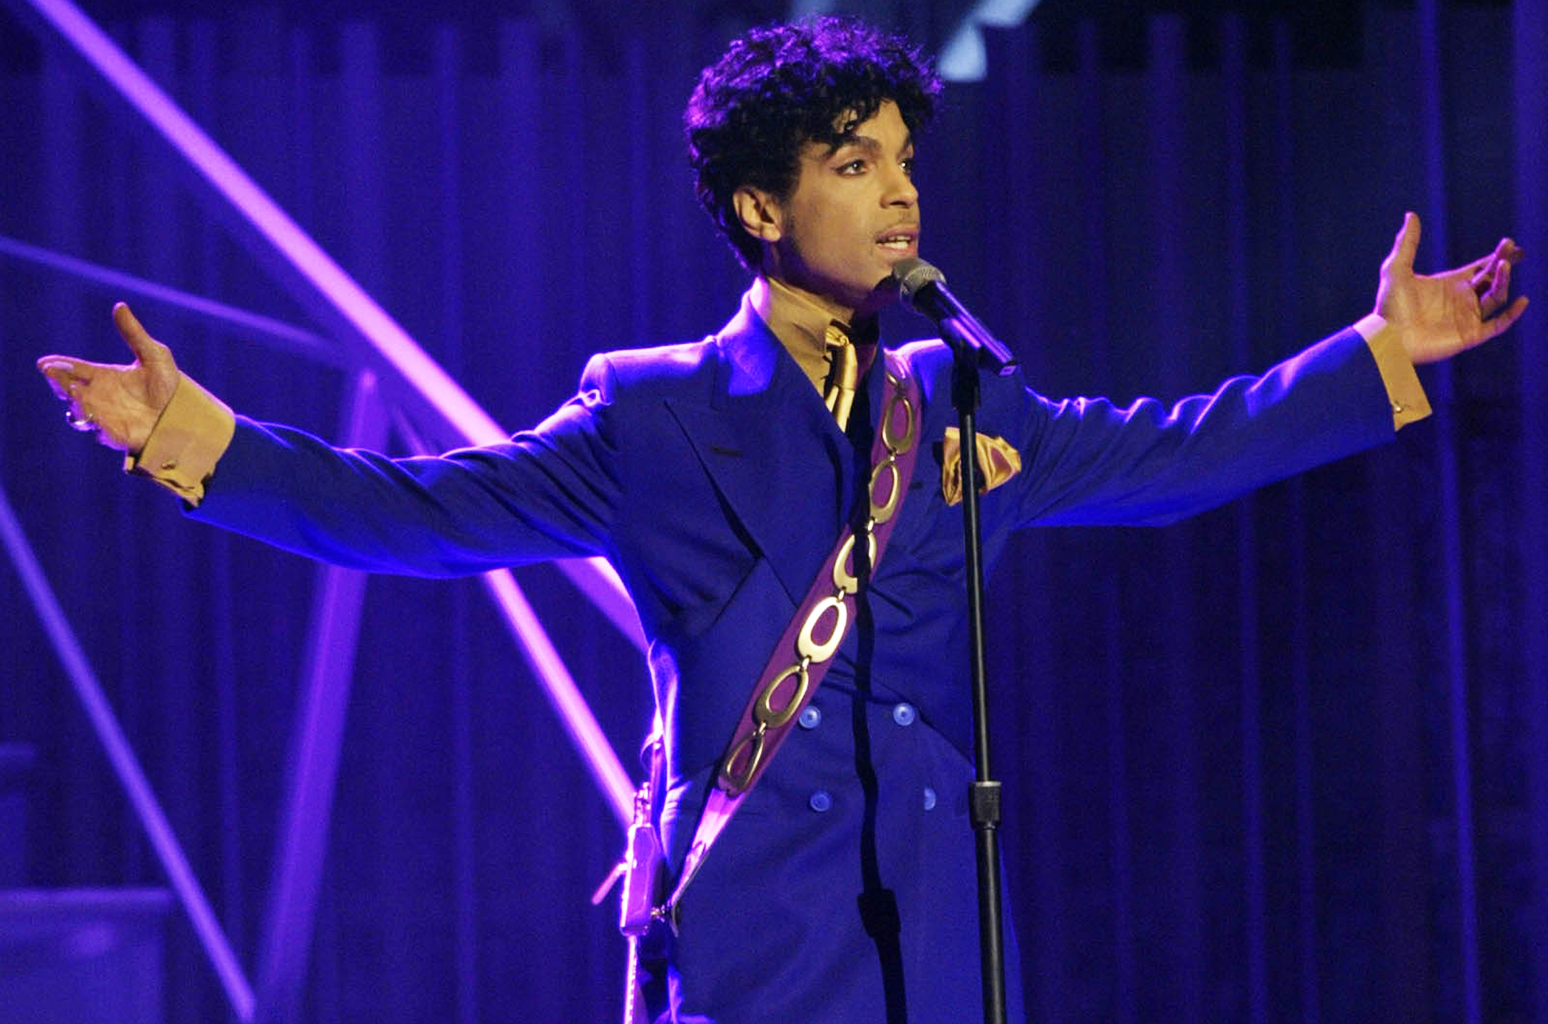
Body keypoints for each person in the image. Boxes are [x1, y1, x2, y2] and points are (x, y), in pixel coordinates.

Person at [35, 16, 1527, 1024]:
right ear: (762, 207)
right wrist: (195, 437)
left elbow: (1174, 452)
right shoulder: (651, 413)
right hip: (758, 931)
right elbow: (418, 512)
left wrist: (1378, 356)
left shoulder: (958, 392)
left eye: (906, 162)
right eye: (855, 166)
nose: (900, 197)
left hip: (944, 927)